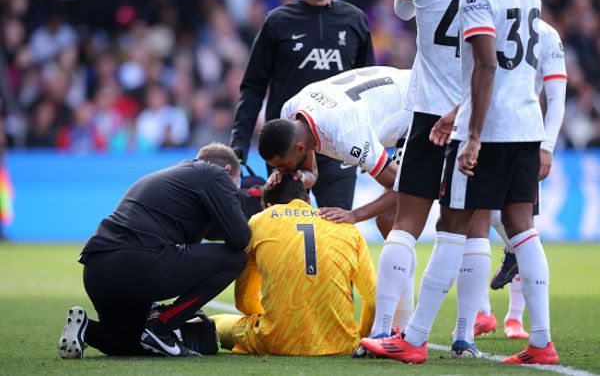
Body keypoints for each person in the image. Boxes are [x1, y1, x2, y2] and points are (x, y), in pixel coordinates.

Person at [361, 0, 559, 365]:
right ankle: (530, 341)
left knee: (444, 224)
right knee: (519, 230)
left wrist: (468, 130)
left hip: (476, 121)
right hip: (525, 122)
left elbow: (485, 65)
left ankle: (408, 338)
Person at [357, 0, 490, 357]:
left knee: (407, 224)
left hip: (429, 110)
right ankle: (464, 335)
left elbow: (401, 11)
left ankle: (381, 332)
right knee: (472, 229)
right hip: (479, 114)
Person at [57, 143, 251, 358]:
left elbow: (218, 230)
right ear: (228, 171)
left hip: (97, 271)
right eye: (236, 181)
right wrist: (250, 201)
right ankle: (162, 324)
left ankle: (86, 329)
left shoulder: (178, 177)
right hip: (138, 264)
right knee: (234, 259)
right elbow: (239, 238)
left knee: (129, 343)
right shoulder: (214, 173)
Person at [230, 0, 375, 212]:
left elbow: (367, 90)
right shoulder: (277, 22)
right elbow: (253, 87)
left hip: (339, 143)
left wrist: (370, 147)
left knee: (338, 227)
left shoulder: (355, 21)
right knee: (286, 230)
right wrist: (238, 145)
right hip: (287, 144)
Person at [211, 173, 376, 355]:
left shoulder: (259, 221)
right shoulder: (346, 225)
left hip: (275, 342)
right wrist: (360, 338)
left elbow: (244, 301)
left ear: (268, 206)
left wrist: (275, 322)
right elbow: (374, 301)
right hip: (342, 344)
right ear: (307, 199)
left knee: (215, 323)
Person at [480, 16, 568, 339]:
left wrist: (547, 146)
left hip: (524, 139)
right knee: (480, 219)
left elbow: (557, 98)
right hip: (484, 132)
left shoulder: (547, 35)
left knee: (520, 225)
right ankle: (481, 311)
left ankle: (514, 318)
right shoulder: (487, 22)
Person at [258, 66, 413, 237]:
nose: (280, 171)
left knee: (389, 218)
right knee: (387, 219)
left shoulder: (347, 137)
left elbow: (402, 186)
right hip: (393, 96)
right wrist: (298, 178)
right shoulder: (290, 113)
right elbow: (311, 173)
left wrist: (354, 215)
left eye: (282, 165)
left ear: (300, 148)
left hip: (419, 107)